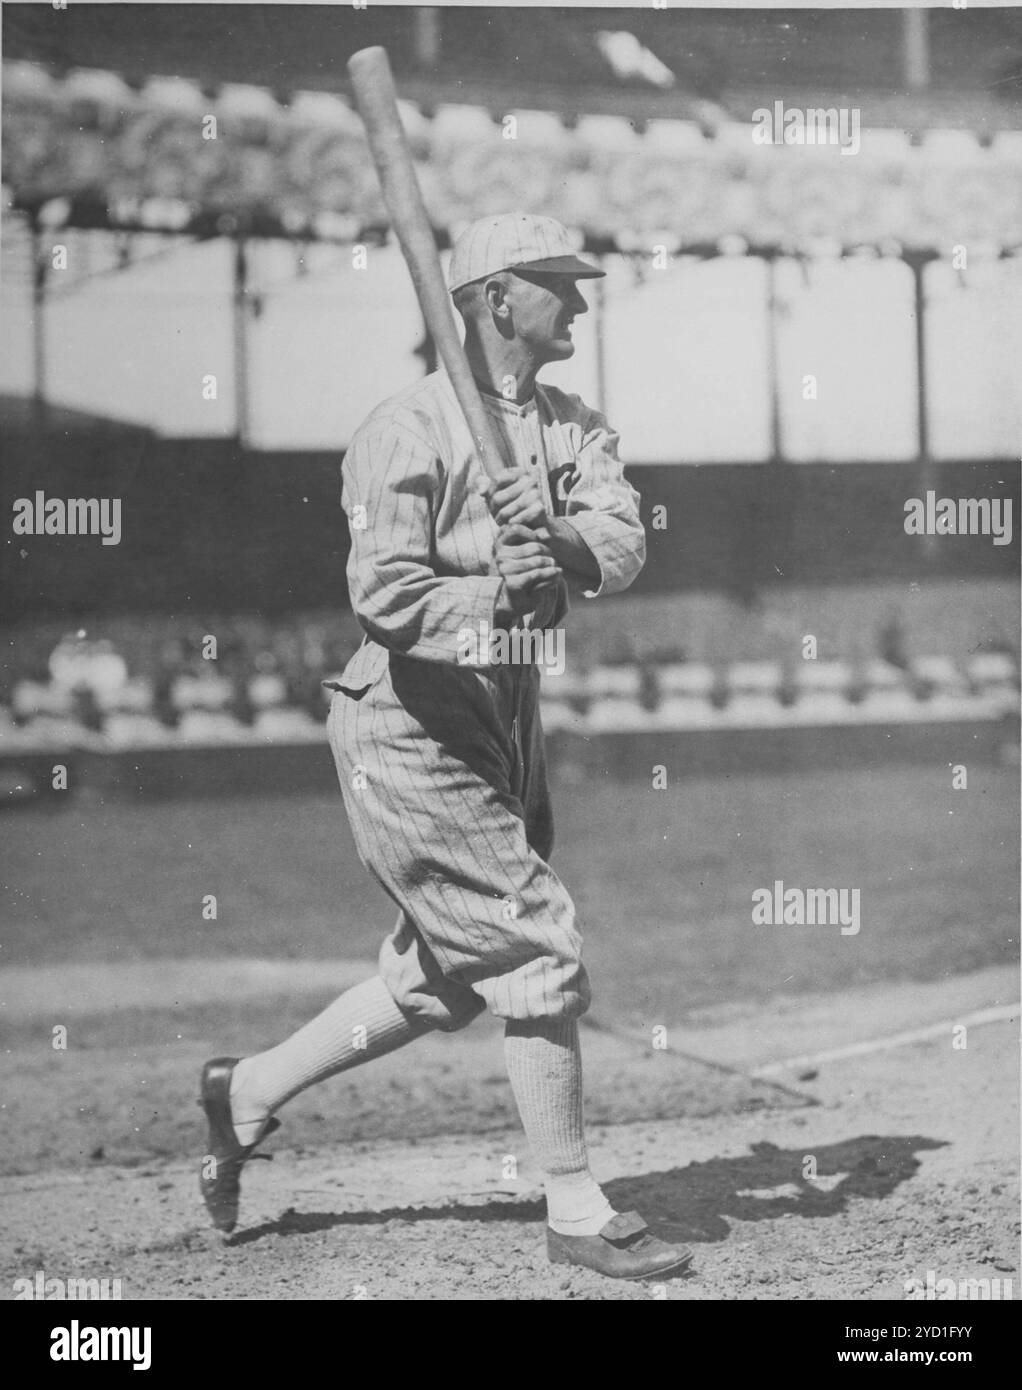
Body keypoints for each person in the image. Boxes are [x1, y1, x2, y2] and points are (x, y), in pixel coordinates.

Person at [199, 212, 693, 1280]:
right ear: (497, 296)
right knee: (531, 941)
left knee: (447, 974)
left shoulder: (572, 425)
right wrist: (498, 585)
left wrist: (551, 534)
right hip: (405, 717)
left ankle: (244, 1092)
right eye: (561, 284)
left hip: (502, 710)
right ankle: (570, 1203)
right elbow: (384, 594)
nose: (583, 302)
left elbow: (622, 542)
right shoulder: (403, 429)